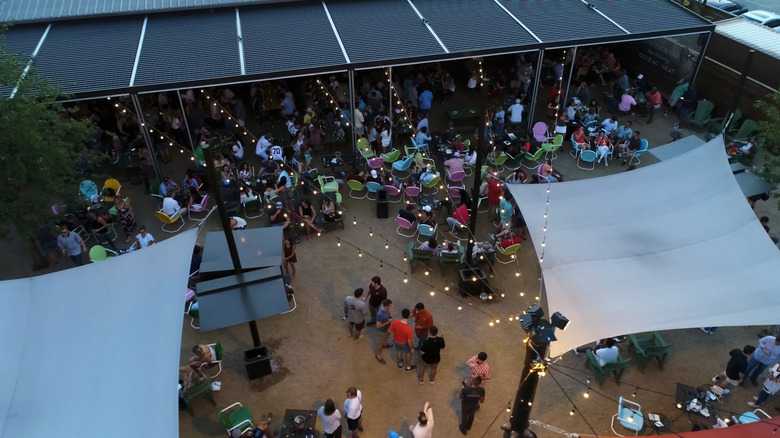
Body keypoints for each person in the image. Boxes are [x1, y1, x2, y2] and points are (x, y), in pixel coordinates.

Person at [389, 308, 416, 372]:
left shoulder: (395, 322)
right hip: (404, 343)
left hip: (396, 341)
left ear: (402, 314)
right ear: (409, 315)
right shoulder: (409, 328)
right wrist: (412, 348)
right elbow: (409, 340)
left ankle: (400, 364)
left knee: (398, 351)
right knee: (408, 353)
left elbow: (389, 330)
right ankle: (408, 367)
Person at [375, 299, 393, 364]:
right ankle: (378, 355)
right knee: (381, 343)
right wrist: (388, 322)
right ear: (386, 306)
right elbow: (378, 326)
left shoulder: (384, 306)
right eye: (390, 306)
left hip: (387, 328)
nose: (390, 307)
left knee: (385, 340)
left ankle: (385, 344)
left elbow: (388, 312)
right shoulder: (380, 314)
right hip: (383, 330)